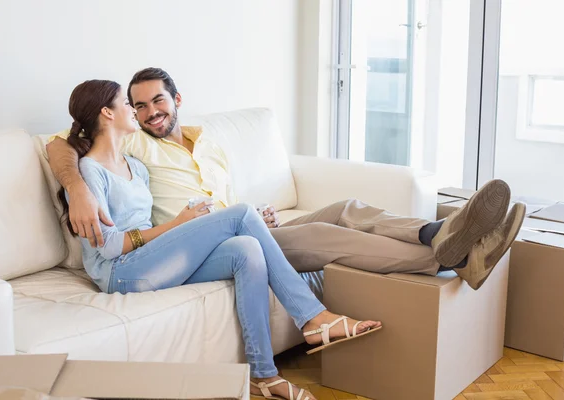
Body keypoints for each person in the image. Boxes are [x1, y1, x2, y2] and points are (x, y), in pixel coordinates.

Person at [47, 67, 525, 294]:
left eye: (158, 101)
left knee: (345, 207)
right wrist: (75, 186)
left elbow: (226, 199)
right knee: (323, 234)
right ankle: (449, 257)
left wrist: (259, 211)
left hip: (249, 221)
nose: (150, 112)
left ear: (177, 98)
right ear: (127, 112)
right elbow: (60, 143)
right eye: (140, 104)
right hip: (206, 243)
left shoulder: (207, 140)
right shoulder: (133, 144)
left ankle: (437, 232)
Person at [60, 79, 383, 400]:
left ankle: (263, 375)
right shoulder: (90, 172)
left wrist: (184, 224)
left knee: (246, 249)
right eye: (128, 103)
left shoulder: (135, 166)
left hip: (150, 260)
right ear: (107, 113)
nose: (135, 110)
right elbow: (109, 245)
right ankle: (313, 317)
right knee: (241, 215)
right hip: (120, 272)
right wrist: (176, 225)